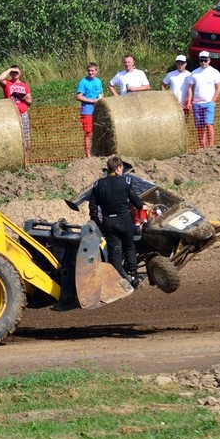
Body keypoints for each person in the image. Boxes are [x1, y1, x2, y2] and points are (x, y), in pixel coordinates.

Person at [88, 156, 146, 288]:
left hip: (109, 222)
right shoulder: (125, 181)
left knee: (115, 251)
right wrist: (142, 207)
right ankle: (134, 276)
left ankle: (119, 280)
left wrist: (96, 221)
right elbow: (136, 202)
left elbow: (92, 206)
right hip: (124, 220)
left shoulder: (98, 184)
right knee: (130, 247)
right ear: (119, 168)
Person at [186, 51, 220, 149]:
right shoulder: (194, 73)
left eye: (205, 60)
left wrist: (213, 100)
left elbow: (219, 87)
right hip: (197, 103)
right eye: (201, 60)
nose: (203, 62)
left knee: (209, 124)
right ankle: (202, 147)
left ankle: (211, 146)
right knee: (200, 127)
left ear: (209, 60)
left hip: (208, 103)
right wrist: (189, 101)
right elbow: (190, 88)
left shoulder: (214, 72)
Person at [0, 65, 33, 152]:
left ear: (20, 73)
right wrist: (10, 69)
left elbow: (30, 102)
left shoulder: (25, 86)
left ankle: (26, 160)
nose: (15, 74)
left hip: (23, 113)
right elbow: (0, 78)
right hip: (11, 114)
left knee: (26, 138)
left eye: (16, 72)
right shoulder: (7, 83)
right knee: (13, 137)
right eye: (13, 72)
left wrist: (22, 98)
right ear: (10, 74)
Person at [75, 62, 103, 158]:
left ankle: (97, 152)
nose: (91, 72)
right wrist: (91, 100)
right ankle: (88, 155)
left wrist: (100, 100)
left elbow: (101, 94)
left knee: (98, 131)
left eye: (93, 71)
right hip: (87, 111)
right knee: (88, 133)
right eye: (89, 71)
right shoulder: (83, 82)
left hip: (97, 110)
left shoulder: (98, 81)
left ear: (96, 71)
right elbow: (78, 96)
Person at [161, 55, 192, 119]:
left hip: (184, 104)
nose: (180, 65)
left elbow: (192, 89)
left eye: (182, 63)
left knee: (184, 122)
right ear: (176, 64)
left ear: (185, 64)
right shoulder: (170, 74)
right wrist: (165, 95)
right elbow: (163, 84)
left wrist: (189, 100)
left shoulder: (190, 75)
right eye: (178, 63)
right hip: (173, 104)